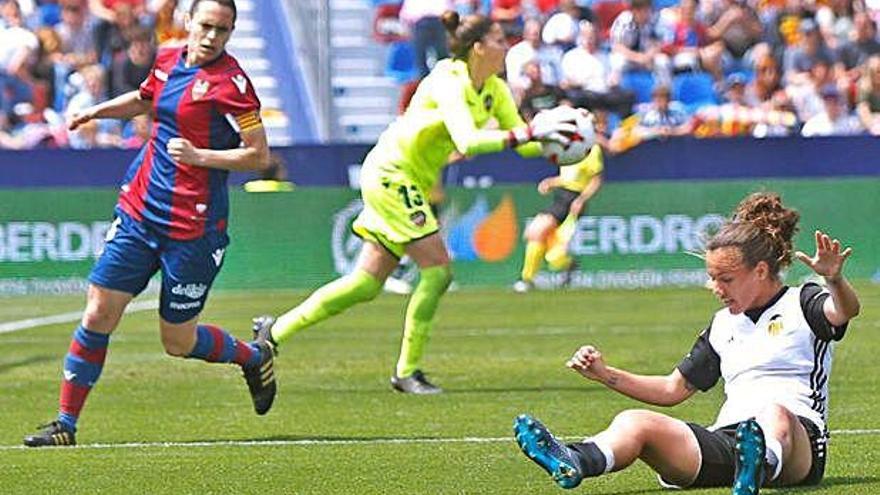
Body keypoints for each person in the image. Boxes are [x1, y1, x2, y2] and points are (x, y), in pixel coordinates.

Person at [254, 10, 574, 395]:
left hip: (409, 181)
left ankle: (273, 332)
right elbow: (469, 141)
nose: (507, 46)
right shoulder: (448, 80)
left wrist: (564, 140)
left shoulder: (495, 89)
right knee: (438, 270)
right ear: (478, 48)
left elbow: (523, 146)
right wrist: (528, 131)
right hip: (393, 173)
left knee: (364, 284)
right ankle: (407, 371)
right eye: (500, 40)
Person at [23, 0, 275, 447]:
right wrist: (95, 112)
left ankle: (253, 356)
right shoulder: (166, 58)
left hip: (193, 228)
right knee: (98, 310)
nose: (213, 37)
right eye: (207, 26)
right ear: (188, 22)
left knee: (177, 342)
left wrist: (201, 157)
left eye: (224, 30)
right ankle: (65, 423)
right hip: (140, 212)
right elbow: (143, 100)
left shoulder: (232, 84)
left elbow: (258, 155)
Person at [514, 191, 861, 493]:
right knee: (636, 421)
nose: (716, 289)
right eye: (712, 279)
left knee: (775, 414)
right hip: (732, 440)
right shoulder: (722, 325)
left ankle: (758, 466)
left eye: (726, 279)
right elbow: (672, 390)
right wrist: (606, 375)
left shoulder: (803, 301)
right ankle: (574, 459)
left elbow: (844, 311)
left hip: (797, 446)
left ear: (759, 271)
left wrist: (834, 279)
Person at [513, 136, 603, 293]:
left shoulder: (591, 149)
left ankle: (526, 280)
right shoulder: (566, 147)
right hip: (561, 196)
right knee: (549, 250)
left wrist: (581, 200)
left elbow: (595, 180)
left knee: (536, 232)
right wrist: (551, 182)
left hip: (573, 199)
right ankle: (567, 264)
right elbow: (567, 178)